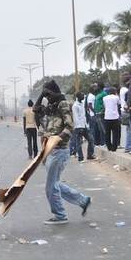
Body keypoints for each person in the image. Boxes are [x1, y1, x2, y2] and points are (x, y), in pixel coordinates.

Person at [35, 80, 91, 225]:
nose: (47, 96)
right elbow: (36, 109)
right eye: (45, 94)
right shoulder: (51, 106)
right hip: (50, 151)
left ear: (55, 92)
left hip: (60, 150)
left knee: (50, 187)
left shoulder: (63, 104)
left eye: (48, 93)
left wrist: (57, 139)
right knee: (55, 184)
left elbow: (70, 126)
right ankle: (83, 200)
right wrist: (41, 95)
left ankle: (60, 215)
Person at [72, 92, 95, 161]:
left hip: (84, 125)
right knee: (79, 142)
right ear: (78, 97)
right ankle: (80, 157)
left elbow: (83, 116)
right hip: (78, 127)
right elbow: (75, 117)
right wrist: (79, 127)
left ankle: (89, 155)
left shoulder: (82, 104)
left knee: (91, 139)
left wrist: (86, 125)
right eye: (82, 95)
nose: (83, 96)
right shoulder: (75, 106)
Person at [102, 87, 122, 152]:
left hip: (107, 117)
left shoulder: (104, 98)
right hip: (115, 117)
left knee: (107, 133)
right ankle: (114, 147)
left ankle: (109, 146)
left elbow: (105, 106)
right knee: (115, 133)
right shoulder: (116, 97)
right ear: (114, 92)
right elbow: (119, 104)